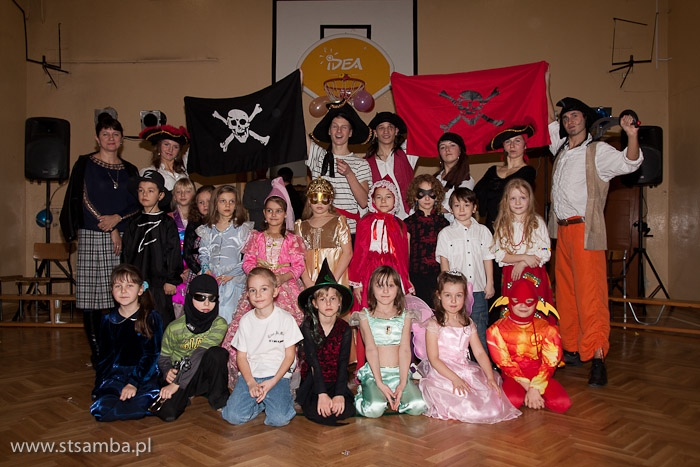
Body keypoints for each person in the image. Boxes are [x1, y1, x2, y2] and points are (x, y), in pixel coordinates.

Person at [546, 71, 643, 387]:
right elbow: (548, 119)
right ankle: (573, 348)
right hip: (562, 232)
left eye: (575, 116)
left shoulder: (597, 151)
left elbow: (629, 163)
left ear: (585, 120)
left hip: (586, 230)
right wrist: (545, 84)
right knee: (566, 293)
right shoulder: (561, 150)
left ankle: (598, 355)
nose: (569, 121)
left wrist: (631, 135)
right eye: (566, 117)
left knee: (591, 295)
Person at [60, 113, 140, 365]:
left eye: (115, 134)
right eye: (105, 134)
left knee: (123, 294)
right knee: (92, 299)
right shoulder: (85, 164)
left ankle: (119, 349)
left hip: (125, 236)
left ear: (122, 139)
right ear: (97, 138)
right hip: (94, 234)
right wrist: (109, 226)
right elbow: (82, 198)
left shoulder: (130, 170)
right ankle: (98, 353)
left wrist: (117, 219)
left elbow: (137, 203)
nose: (111, 138)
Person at [221, 184, 306, 388]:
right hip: (259, 286)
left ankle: (285, 376)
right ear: (264, 214)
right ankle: (248, 375)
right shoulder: (256, 237)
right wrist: (261, 277)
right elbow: (248, 262)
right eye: (270, 211)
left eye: (278, 211)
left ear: (285, 214)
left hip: (284, 287)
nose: (274, 215)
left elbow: (298, 266)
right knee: (245, 326)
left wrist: (282, 278)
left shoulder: (292, 239)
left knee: (286, 326)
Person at [417, 271, 521, 423]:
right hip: (443, 373)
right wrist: (455, 379)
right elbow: (434, 359)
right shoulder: (434, 324)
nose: (453, 300)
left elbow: (479, 353)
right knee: (465, 405)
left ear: (465, 296)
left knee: (492, 403)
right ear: (439, 295)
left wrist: (490, 377)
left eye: (458, 295)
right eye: (448, 295)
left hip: (465, 369)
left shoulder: (468, 323)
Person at [221, 267, 303, 426]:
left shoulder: (286, 319)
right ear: (247, 294)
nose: (258, 295)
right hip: (251, 375)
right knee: (232, 416)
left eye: (264, 289)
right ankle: (261, 404)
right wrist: (250, 382)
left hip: (277, 376)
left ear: (275, 291)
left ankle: (281, 400)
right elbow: (241, 357)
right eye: (253, 290)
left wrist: (273, 381)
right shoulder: (245, 321)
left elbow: (289, 356)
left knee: (279, 419)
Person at [351, 266, 427, 418]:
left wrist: (403, 382)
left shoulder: (405, 315)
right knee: (374, 409)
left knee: (419, 406)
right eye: (380, 286)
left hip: (399, 373)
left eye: (391, 285)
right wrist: (379, 383)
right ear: (372, 289)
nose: (385, 291)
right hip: (375, 374)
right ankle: (369, 393)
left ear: (398, 288)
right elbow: (371, 349)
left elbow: (405, 350)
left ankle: (395, 396)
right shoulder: (365, 316)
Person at [90, 264, 163, 422]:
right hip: (116, 375)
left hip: (144, 375)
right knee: (101, 410)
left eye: (130, 285)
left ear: (140, 290)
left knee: (143, 402)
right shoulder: (108, 320)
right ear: (111, 290)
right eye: (118, 286)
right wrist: (99, 385)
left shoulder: (151, 318)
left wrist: (133, 383)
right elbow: (105, 357)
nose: (123, 291)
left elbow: (152, 355)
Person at [486, 279, 571, 413]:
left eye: (529, 301)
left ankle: (532, 397)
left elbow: (550, 362)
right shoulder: (495, 330)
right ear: (509, 301)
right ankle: (530, 397)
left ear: (536, 302)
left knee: (562, 403)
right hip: (512, 376)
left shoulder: (548, 329)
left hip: (541, 374)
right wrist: (529, 388)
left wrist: (535, 387)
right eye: (517, 300)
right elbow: (505, 363)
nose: (523, 305)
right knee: (513, 400)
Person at [155, 274, 230, 422]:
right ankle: (186, 395)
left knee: (218, 353)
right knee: (167, 413)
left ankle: (219, 400)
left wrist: (176, 384)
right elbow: (163, 357)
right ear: (190, 297)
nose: (206, 303)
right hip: (180, 374)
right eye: (200, 297)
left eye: (212, 298)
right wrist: (167, 371)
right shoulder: (174, 327)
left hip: (197, 376)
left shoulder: (219, 324)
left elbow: (200, 353)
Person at [436, 188, 494, 355]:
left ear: (474, 208)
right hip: (456, 293)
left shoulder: (483, 231)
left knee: (479, 329)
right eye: (457, 205)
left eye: (466, 205)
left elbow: (487, 258)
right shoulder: (446, 233)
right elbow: (444, 262)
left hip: (477, 290)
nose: (461, 209)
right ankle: (458, 364)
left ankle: (482, 368)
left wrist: (489, 283)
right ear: (451, 209)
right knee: (455, 330)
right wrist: (445, 288)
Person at [296, 260, 356, 425]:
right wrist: (322, 394)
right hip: (315, 380)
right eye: (322, 299)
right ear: (315, 304)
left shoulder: (344, 328)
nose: (328, 303)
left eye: (332, 298)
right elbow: (313, 362)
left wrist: (339, 394)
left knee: (345, 410)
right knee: (318, 412)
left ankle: (337, 397)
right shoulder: (308, 326)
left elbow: (343, 362)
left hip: (336, 380)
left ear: (339, 302)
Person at [122, 170, 183, 328]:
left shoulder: (167, 223)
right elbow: (126, 253)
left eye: (150, 191)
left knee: (160, 321)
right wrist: (126, 277)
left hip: (160, 284)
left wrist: (171, 280)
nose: (145, 194)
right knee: (136, 319)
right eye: (141, 190)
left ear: (160, 195)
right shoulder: (133, 223)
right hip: (136, 283)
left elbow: (173, 252)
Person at [306, 100, 373, 234]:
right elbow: (298, 127)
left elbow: (364, 202)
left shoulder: (361, 164)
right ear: (329, 131)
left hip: (349, 230)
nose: (339, 131)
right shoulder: (318, 156)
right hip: (321, 230)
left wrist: (349, 174)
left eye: (344, 127)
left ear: (350, 133)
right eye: (335, 126)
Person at [196, 185, 254, 323]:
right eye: (223, 201)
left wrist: (233, 273)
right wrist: (206, 268)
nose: (227, 205)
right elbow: (203, 252)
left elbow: (249, 256)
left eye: (231, 201)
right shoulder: (208, 229)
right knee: (211, 315)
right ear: (215, 204)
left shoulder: (242, 229)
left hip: (232, 279)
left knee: (229, 314)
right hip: (212, 277)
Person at [491, 179, 553, 306]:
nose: (518, 202)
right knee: (515, 308)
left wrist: (523, 264)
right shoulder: (503, 225)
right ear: (506, 201)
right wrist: (524, 257)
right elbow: (500, 255)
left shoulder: (537, 223)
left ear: (529, 199)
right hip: (512, 275)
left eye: (522, 198)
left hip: (534, 273)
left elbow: (545, 251)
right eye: (513, 198)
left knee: (533, 308)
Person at [475, 125, 537, 233]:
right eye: (508, 141)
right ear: (503, 146)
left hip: (514, 227)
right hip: (491, 227)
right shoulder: (492, 170)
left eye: (517, 140)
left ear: (525, 145)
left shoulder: (528, 172)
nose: (512, 145)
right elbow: (475, 194)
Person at [294, 178, 353, 288]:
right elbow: (298, 256)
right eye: (315, 197)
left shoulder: (339, 222)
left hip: (335, 276)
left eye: (324, 197)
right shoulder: (301, 226)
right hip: (311, 279)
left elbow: (347, 253)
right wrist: (306, 280)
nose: (319, 202)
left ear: (330, 200)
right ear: (309, 200)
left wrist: (332, 279)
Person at [404, 174, 449, 305]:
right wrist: (406, 279)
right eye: (422, 193)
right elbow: (405, 254)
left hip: (438, 277)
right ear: (415, 196)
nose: (427, 198)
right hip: (415, 277)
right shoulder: (408, 223)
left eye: (431, 193)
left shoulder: (444, 223)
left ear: (437, 196)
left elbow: (447, 254)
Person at [364, 112, 418, 219]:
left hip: (406, 218)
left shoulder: (407, 154)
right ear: (375, 132)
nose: (386, 131)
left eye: (390, 127)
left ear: (396, 131)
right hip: (379, 220)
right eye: (381, 128)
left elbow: (419, 129)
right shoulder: (365, 163)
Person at [170, 178, 196, 316]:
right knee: (177, 308)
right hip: (176, 269)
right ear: (174, 196)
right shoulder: (168, 218)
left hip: (194, 268)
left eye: (187, 191)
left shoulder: (200, 218)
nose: (183, 195)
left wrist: (192, 268)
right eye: (179, 192)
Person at [434, 132, 475, 221]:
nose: (447, 149)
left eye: (452, 145)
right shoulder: (434, 179)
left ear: (460, 151)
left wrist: (429, 204)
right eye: (442, 147)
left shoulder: (466, 180)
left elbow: (452, 206)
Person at [183, 184, 215, 291]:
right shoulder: (194, 224)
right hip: (198, 269)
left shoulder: (224, 224)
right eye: (201, 202)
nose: (205, 205)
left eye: (209, 201)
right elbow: (187, 253)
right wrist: (200, 271)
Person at [139, 125, 190, 191]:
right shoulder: (150, 172)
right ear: (159, 146)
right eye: (166, 144)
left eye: (175, 147)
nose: (170, 149)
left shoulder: (184, 168)